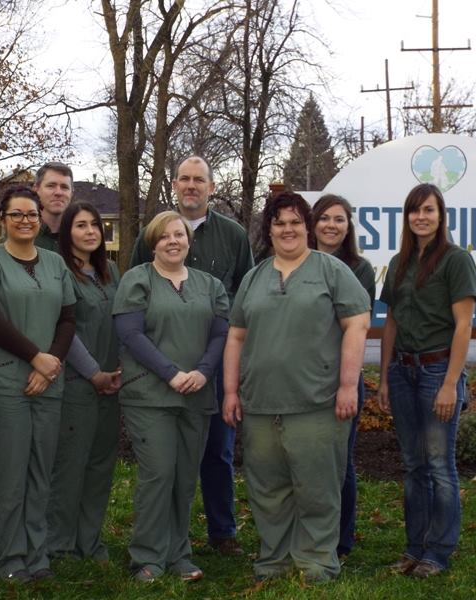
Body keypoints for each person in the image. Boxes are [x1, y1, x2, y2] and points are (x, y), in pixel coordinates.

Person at [222, 192, 370, 582]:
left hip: (316, 403)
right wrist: (232, 392)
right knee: (268, 489)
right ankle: (274, 560)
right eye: (279, 223)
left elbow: (357, 324)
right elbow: (236, 336)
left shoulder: (331, 271)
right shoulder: (254, 277)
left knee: (317, 487)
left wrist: (348, 385)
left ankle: (316, 561)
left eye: (295, 222)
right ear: (269, 230)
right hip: (260, 404)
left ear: (307, 227)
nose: (287, 229)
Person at [130, 155, 253, 555]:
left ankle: (222, 532)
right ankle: (160, 538)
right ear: (174, 184)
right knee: (163, 461)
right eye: (184, 178)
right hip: (160, 365)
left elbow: (245, 296)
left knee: (217, 450)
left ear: (212, 187)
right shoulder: (151, 233)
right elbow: (135, 290)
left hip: (215, 362)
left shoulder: (233, 235)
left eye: (199, 180)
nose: (191, 186)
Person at [0, 187, 76, 582]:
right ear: (3, 218)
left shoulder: (55, 263)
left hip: (48, 383)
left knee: (40, 473)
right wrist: (35, 357)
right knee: (9, 476)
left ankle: (36, 554)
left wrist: (50, 364)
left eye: (31, 214)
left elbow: (68, 318)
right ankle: (9, 558)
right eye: (17, 214)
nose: (25, 220)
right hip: (4, 383)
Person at [116, 210, 229, 582]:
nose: (172, 241)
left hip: (197, 393)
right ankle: (147, 557)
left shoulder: (210, 285)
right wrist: (171, 373)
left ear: (188, 241)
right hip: (150, 396)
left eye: (179, 234)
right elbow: (131, 335)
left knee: (184, 476)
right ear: (153, 243)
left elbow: (220, 334)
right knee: (159, 473)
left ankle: (179, 553)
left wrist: (203, 372)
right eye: (164, 236)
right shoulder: (138, 280)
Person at [378, 183, 476, 578]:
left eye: (429, 210)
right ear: (407, 217)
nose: (421, 217)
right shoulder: (399, 262)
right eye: (415, 210)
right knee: (413, 465)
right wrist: (385, 378)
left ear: (440, 215)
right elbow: (391, 323)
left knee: (439, 465)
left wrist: (451, 383)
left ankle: (438, 552)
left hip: (438, 371)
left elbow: (464, 326)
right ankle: (414, 548)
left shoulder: (455, 260)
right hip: (402, 371)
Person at [46, 201, 122, 562]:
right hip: (77, 383)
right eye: (81, 225)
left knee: (100, 465)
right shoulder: (59, 271)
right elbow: (64, 330)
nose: (90, 231)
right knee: (70, 466)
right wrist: (93, 373)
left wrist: (117, 371)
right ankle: (59, 544)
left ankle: (89, 541)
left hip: (112, 385)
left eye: (95, 224)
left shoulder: (111, 272)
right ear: (67, 232)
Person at [311, 193, 376, 558]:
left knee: (340, 461)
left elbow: (353, 324)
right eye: (324, 218)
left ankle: (340, 540)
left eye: (339, 219)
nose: (331, 225)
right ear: (313, 223)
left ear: (348, 226)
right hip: (302, 377)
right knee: (306, 458)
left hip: (342, 377)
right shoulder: (296, 262)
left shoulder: (359, 269)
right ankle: (308, 533)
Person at [34, 162, 74, 252]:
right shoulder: (20, 238)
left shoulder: (80, 239)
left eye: (64, 187)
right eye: (51, 186)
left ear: (71, 193)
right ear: (36, 190)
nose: (58, 193)